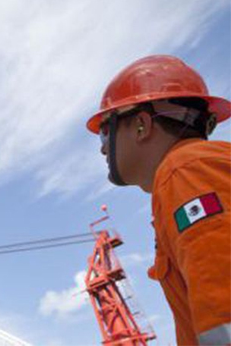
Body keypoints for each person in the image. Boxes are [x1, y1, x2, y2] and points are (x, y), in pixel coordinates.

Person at [86, 55, 231, 345]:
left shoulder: (186, 171)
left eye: (105, 131)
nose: (103, 149)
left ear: (141, 125)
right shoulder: (191, 172)